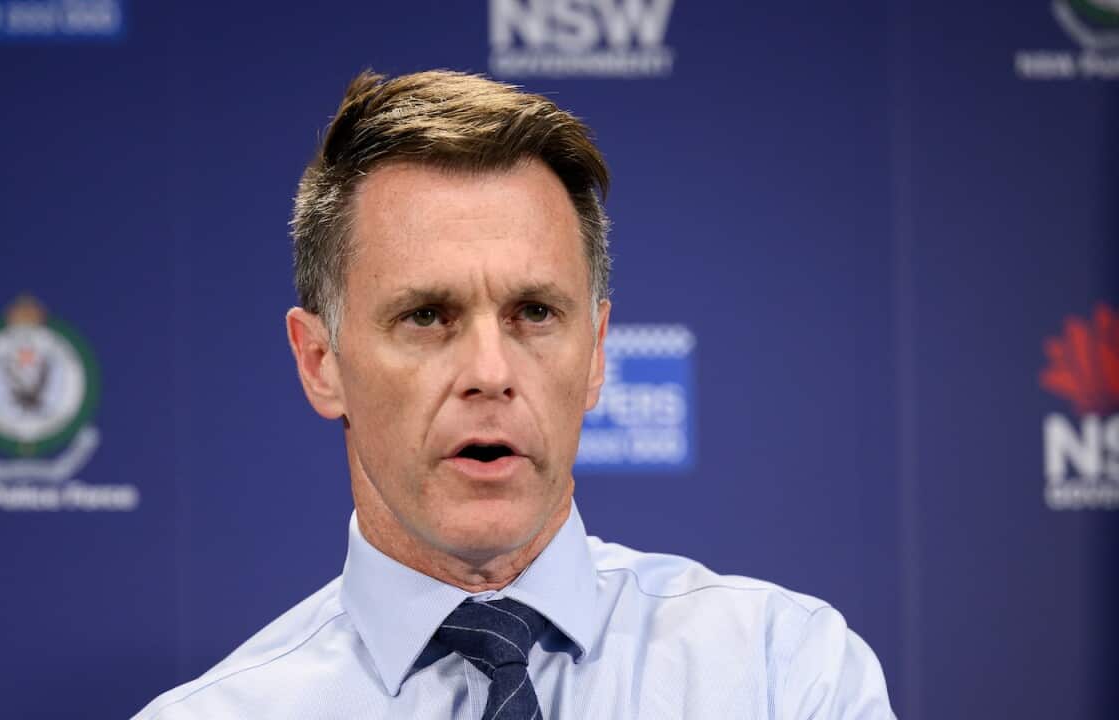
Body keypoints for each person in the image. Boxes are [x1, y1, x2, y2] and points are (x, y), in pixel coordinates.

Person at [134, 69, 894, 719]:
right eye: (426, 316)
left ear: (595, 353)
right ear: (320, 361)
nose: (490, 372)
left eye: (534, 312)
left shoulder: (783, 672)